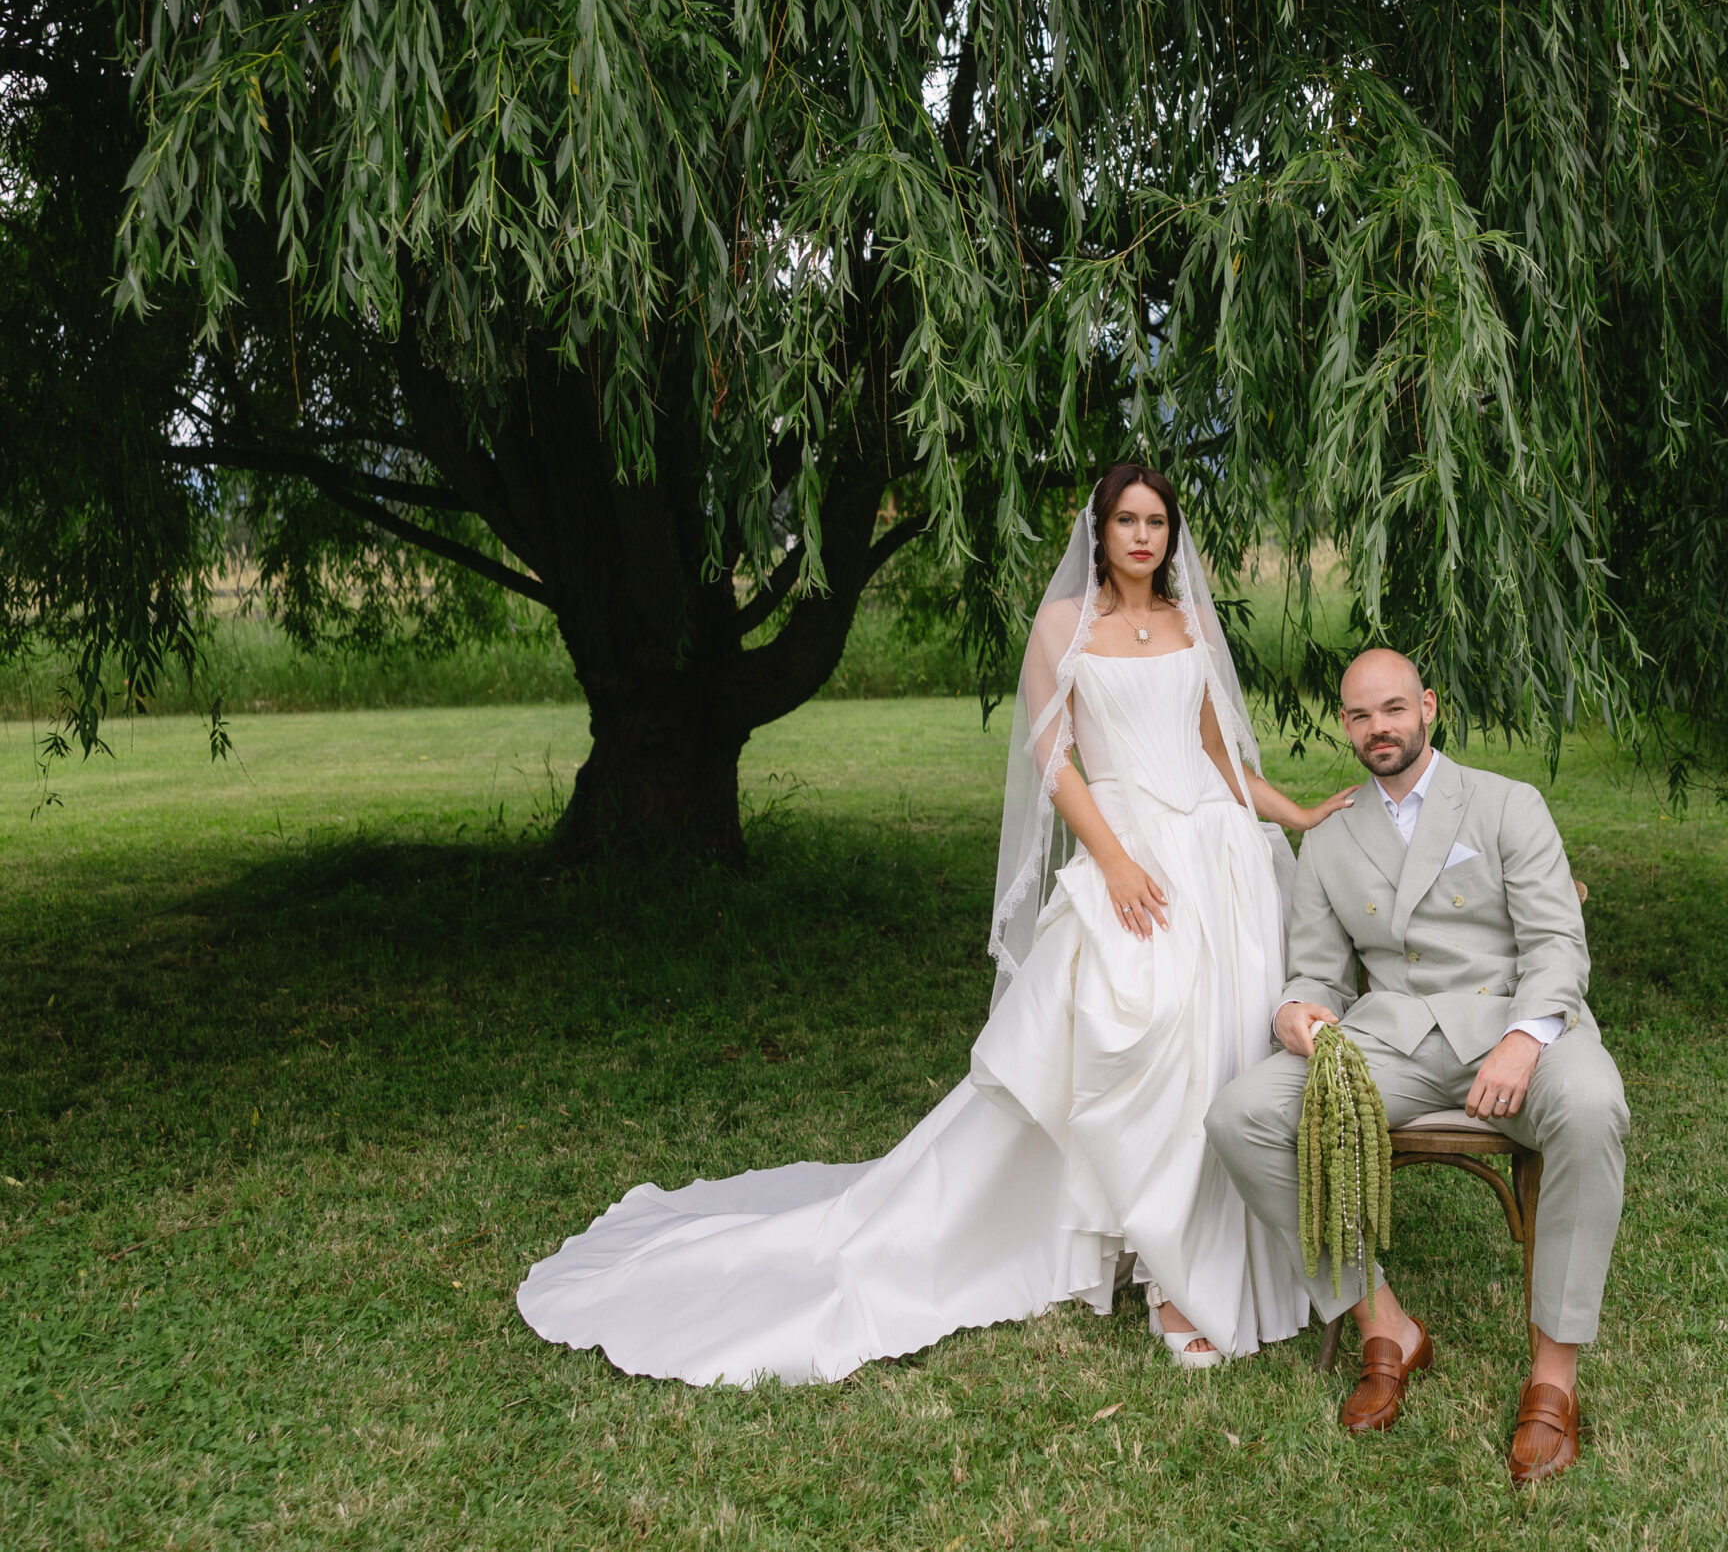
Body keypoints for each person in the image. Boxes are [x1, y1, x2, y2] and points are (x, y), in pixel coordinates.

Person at [516, 465, 1355, 1382]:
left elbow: (1219, 755)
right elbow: (1054, 757)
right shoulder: (1063, 626)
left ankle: (1197, 1253)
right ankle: (1162, 1264)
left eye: (1157, 521)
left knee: (1218, 1050)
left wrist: (1297, 814)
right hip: (1131, 856)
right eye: (1127, 520)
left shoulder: (1191, 625)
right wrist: (1114, 860)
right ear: (1101, 530)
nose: (1143, 536)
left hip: (1219, 860)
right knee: (1142, 1041)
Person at [1205, 648, 1628, 1482]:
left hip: (1518, 1024)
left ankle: (1554, 1376)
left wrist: (1525, 1038)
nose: (1379, 728)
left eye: (1394, 709)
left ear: (1428, 706)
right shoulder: (1330, 837)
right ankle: (1385, 1325)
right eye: (1361, 716)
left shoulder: (1506, 803)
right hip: (1393, 1040)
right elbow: (1317, 971)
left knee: (1590, 1107)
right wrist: (1293, 1010)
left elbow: (1556, 941)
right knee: (1241, 1115)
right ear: (1345, 725)